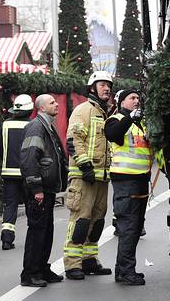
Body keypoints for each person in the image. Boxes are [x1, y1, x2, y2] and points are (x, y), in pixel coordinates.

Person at [62, 71, 114, 280]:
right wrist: (85, 167)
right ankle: (72, 264)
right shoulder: (83, 110)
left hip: (102, 177)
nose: (107, 88)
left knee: (97, 220)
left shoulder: (106, 113)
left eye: (109, 85)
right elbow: (74, 140)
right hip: (84, 176)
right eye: (102, 84)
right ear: (92, 87)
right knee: (80, 220)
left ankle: (89, 260)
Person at [19, 94, 68, 287]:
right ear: (41, 108)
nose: (56, 104)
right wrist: (36, 188)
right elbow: (29, 159)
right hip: (39, 190)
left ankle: (42, 269)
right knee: (38, 231)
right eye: (52, 103)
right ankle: (30, 274)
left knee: (46, 230)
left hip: (47, 189)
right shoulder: (36, 127)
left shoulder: (47, 126)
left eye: (56, 102)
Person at [105, 88, 153, 286]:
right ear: (121, 102)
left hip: (141, 180)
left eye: (138, 98)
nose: (136, 101)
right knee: (128, 227)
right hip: (125, 181)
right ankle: (126, 272)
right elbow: (114, 135)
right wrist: (130, 118)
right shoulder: (115, 119)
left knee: (135, 228)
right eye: (132, 98)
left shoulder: (140, 124)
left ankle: (123, 270)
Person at [0, 94, 34, 250]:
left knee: (10, 205)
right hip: (28, 173)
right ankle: (33, 239)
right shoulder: (33, 125)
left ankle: (7, 239)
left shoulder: (5, 125)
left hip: (8, 172)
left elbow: (0, 149)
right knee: (30, 205)